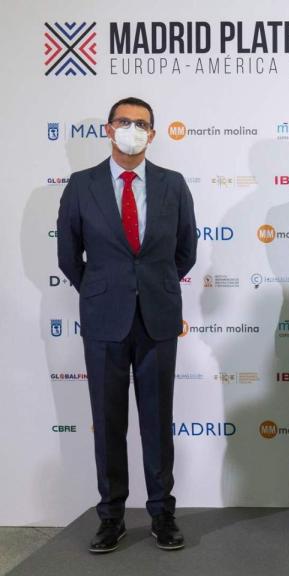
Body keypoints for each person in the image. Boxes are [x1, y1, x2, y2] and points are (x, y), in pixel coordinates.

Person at [57, 97, 197, 553]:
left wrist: (152, 285)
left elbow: (186, 251)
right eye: (124, 121)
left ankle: (162, 514)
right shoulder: (81, 185)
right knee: (108, 420)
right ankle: (111, 517)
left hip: (156, 318)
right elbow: (68, 256)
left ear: (153, 134)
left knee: (158, 422)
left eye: (141, 124)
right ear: (108, 128)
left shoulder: (173, 185)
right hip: (103, 320)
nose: (132, 129)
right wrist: (103, 289)